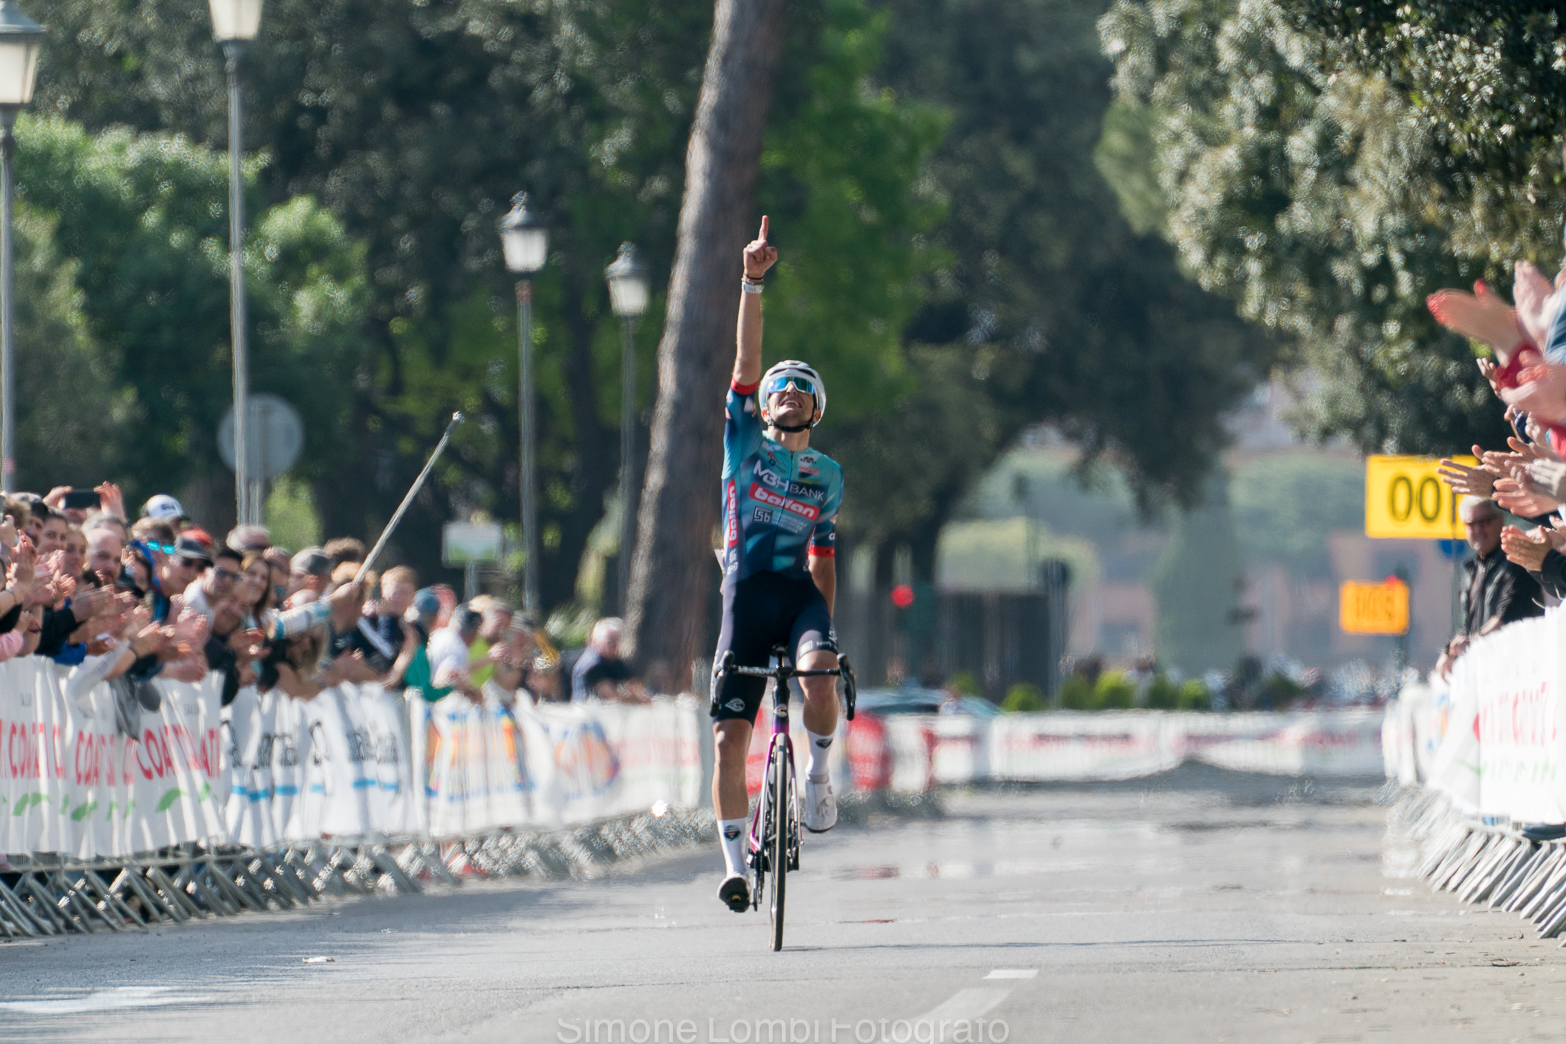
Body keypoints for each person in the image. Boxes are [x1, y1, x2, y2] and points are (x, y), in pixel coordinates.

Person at [709, 217, 845, 913]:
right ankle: (734, 861)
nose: (787, 391)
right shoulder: (743, 447)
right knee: (730, 737)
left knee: (821, 673)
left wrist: (826, 632)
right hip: (745, 596)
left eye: (801, 387)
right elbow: (744, 363)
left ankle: (819, 774)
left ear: (815, 406)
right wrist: (752, 281)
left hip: (796, 598)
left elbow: (822, 558)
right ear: (764, 404)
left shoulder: (827, 474)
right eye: (779, 386)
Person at [1437, 496, 1545, 679]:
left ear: (1500, 520)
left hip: (1520, 674)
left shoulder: (1516, 559)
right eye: (1471, 524)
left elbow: (1509, 615)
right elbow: (1467, 625)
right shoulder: (1472, 570)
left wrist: (1474, 641)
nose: (1478, 530)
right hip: (1488, 677)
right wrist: (1449, 651)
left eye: (1484, 522)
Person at [571, 617, 649, 702]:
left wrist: (643, 697)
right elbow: (612, 696)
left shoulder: (613, 661)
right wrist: (638, 700)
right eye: (610, 640)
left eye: (618, 640)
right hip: (586, 711)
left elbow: (636, 687)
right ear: (595, 640)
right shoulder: (592, 664)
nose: (614, 645)